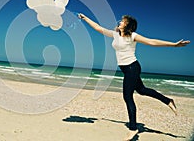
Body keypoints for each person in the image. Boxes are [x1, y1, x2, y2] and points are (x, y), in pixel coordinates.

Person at [78, 13, 190, 141]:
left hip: (132, 67)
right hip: (126, 69)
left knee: (127, 96)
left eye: (123, 21)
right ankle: (168, 101)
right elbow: (98, 28)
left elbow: (151, 42)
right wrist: (85, 18)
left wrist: (173, 45)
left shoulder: (133, 36)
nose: (119, 22)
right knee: (142, 90)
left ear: (127, 25)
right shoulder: (115, 34)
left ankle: (133, 128)